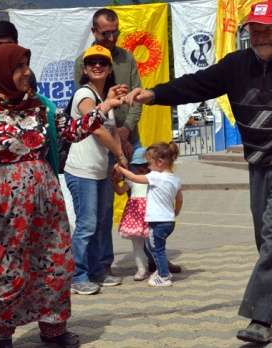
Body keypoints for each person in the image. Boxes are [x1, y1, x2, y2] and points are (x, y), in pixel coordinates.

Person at [125, 1, 272, 343]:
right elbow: (197, 84)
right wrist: (152, 94)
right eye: (254, 30)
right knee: (267, 239)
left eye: (268, 29)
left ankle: (259, 318)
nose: (260, 36)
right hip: (261, 162)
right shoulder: (236, 64)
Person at [0, 44, 125, 348]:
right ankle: (4, 335)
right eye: (18, 66)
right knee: (6, 268)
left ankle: (53, 330)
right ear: (1, 71)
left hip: (47, 203)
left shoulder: (40, 104)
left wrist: (105, 106)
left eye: (27, 65)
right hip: (2, 209)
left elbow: (71, 130)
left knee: (53, 263)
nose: (26, 72)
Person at [73, 9, 176, 277]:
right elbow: (89, 105)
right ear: (94, 32)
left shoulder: (127, 56)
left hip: (131, 135)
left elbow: (136, 97)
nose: (111, 37)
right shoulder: (83, 61)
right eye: (105, 32)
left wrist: (126, 130)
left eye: (115, 32)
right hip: (103, 139)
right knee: (106, 204)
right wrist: (115, 137)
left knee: (151, 195)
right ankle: (104, 262)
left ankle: (157, 256)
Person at [66, 45, 126, 295]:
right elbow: (97, 128)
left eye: (103, 62)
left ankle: (96, 271)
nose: (97, 66)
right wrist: (120, 155)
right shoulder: (84, 94)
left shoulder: (104, 99)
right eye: (92, 63)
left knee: (100, 224)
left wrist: (117, 161)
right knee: (87, 225)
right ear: (86, 69)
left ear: (110, 68)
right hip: (82, 171)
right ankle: (76, 275)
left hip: (100, 171)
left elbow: (112, 130)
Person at [114, 142, 183, 287]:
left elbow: (132, 178)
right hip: (168, 221)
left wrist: (119, 168)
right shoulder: (175, 178)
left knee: (156, 249)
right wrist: (175, 212)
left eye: (150, 164)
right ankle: (163, 271)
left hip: (157, 221)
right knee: (157, 247)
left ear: (160, 162)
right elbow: (179, 199)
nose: (149, 168)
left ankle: (163, 276)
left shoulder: (156, 177)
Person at [112, 147, 151, 281]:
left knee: (152, 244)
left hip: (151, 214)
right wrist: (115, 182)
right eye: (140, 166)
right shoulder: (132, 179)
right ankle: (141, 268)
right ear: (135, 166)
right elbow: (121, 191)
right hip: (135, 216)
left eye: (146, 165)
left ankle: (159, 266)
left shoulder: (154, 178)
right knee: (137, 245)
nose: (144, 169)